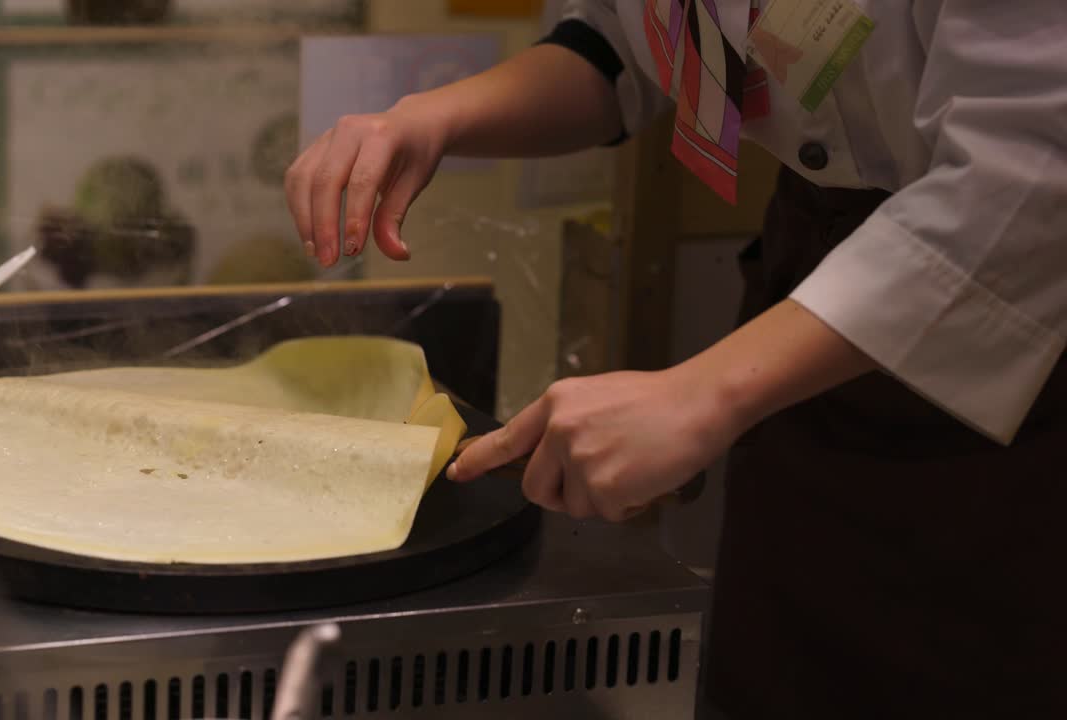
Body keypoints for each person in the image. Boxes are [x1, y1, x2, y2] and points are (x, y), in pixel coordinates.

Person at [285, 1, 1067, 718]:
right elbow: (627, 44)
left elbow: (1030, 176)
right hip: (813, 290)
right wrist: (436, 115)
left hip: (1020, 330)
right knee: (778, 667)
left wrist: (704, 394)